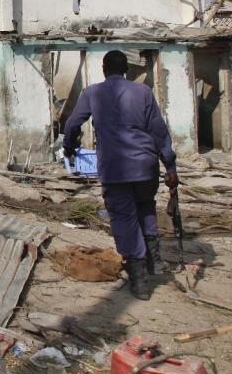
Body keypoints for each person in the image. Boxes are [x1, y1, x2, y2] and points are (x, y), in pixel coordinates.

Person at [63, 50, 178, 301]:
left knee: (124, 218)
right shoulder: (144, 93)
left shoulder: (92, 93)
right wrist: (170, 166)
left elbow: (72, 125)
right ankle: (154, 261)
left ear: (104, 69)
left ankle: (139, 279)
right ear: (126, 69)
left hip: (116, 169)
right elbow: (159, 132)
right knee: (146, 207)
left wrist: (69, 146)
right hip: (146, 167)